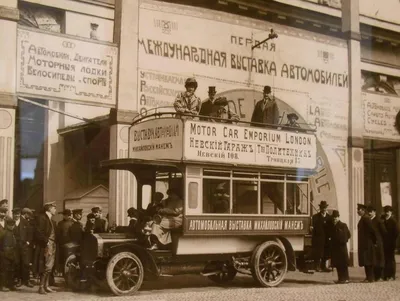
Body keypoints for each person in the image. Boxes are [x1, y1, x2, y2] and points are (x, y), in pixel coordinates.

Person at [34, 201, 57, 294]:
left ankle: (46, 286)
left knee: (49, 266)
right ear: (49, 208)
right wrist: (46, 241)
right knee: (45, 266)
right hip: (46, 245)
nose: (55, 209)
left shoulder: (51, 220)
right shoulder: (42, 218)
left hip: (52, 245)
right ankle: (41, 287)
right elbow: (38, 232)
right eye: (54, 207)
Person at [357, 203, 377, 282]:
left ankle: (370, 277)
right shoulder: (363, 218)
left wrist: (374, 241)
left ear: (363, 210)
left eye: (359, 210)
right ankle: (368, 277)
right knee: (366, 261)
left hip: (367, 243)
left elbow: (372, 231)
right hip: (364, 243)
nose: (357, 211)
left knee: (368, 260)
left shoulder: (366, 218)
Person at [311, 200, 332, 272]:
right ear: (320, 208)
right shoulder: (315, 217)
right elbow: (312, 228)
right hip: (318, 238)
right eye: (322, 208)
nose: (324, 209)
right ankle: (317, 266)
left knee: (325, 253)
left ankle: (324, 266)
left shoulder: (329, 218)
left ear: (326, 208)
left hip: (326, 238)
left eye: (325, 208)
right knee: (318, 253)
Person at [330, 210, 351, 284]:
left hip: (342, 247)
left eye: (336, 217)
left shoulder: (343, 225)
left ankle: (346, 278)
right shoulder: (332, 226)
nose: (334, 219)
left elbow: (348, 234)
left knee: (343, 264)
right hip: (336, 248)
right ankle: (340, 278)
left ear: (338, 217)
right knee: (338, 264)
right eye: (333, 217)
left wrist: (343, 240)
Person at [367, 205, 386, 281]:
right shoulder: (368, 220)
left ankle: (380, 276)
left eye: (370, 212)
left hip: (378, 242)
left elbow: (384, 231)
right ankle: (374, 276)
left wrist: (379, 239)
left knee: (379, 259)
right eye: (368, 212)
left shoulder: (378, 220)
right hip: (371, 242)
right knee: (374, 259)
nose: (369, 213)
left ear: (374, 212)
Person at [18, 208, 34, 288]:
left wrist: (28, 242)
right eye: (29, 214)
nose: (30, 216)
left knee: (26, 263)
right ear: (26, 214)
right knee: (21, 263)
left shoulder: (27, 221)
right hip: (21, 245)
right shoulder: (19, 220)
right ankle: (21, 280)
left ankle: (26, 280)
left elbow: (30, 233)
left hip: (26, 245)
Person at [0, 219, 18, 291]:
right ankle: (2, 286)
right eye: (10, 225)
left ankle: (10, 285)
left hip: (12, 254)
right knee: (4, 271)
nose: (12, 226)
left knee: (11, 271)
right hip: (5, 254)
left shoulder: (12, 233)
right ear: (7, 225)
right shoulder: (3, 233)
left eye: (13, 225)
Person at [382, 205, 399, 280]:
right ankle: (386, 275)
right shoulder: (383, 220)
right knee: (385, 259)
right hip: (384, 243)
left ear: (391, 212)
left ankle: (392, 275)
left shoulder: (393, 221)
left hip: (391, 243)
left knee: (391, 259)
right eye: (386, 211)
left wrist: (392, 240)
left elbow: (396, 232)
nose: (387, 213)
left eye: (388, 212)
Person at [56, 209, 73, 274]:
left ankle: (67, 271)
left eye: (65, 215)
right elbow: (58, 233)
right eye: (64, 215)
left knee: (67, 258)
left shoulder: (72, 223)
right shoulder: (60, 223)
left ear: (69, 216)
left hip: (69, 244)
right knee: (61, 258)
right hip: (61, 243)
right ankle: (61, 271)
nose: (64, 216)